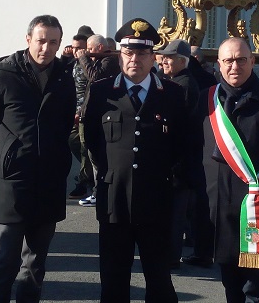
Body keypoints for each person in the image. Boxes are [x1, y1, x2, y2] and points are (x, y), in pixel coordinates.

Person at [81, 20, 190, 302]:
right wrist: (109, 172)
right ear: (120, 55)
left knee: (159, 279)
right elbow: (91, 140)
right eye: (128, 53)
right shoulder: (102, 92)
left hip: (157, 199)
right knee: (114, 278)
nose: (134, 60)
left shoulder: (173, 94)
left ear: (153, 57)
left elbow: (182, 144)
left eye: (142, 54)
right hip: (114, 198)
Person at [0, 15, 76, 303]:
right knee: (5, 259)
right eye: (41, 40)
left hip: (50, 182)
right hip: (13, 184)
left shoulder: (65, 77)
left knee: (35, 264)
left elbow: (66, 124)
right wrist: (4, 163)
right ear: (28, 39)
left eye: (53, 42)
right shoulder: (1, 75)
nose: (46, 48)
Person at [194, 37, 259, 302]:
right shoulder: (204, 101)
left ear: (252, 61)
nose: (234, 66)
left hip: (256, 208)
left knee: (255, 287)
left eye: (241, 59)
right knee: (229, 282)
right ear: (218, 64)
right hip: (217, 208)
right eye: (228, 60)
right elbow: (191, 150)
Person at [156, 39, 206, 268]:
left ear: (181, 61)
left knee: (175, 213)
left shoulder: (182, 85)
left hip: (180, 161)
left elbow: (177, 125)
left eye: (169, 57)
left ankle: (169, 257)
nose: (164, 60)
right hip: (182, 160)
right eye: (163, 56)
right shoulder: (178, 81)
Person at [75, 34, 121, 207]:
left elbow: (95, 77)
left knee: (96, 158)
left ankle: (98, 191)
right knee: (90, 153)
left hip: (103, 116)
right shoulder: (99, 61)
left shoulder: (109, 61)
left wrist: (83, 59)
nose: (87, 51)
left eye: (90, 48)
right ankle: (98, 190)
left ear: (100, 48)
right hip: (89, 114)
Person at [68, 33, 93, 200]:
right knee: (73, 141)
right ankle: (87, 176)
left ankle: (85, 182)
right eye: (74, 47)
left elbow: (89, 86)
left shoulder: (88, 63)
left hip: (84, 111)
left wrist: (80, 111)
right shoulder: (74, 63)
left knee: (85, 147)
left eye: (79, 48)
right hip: (73, 108)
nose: (76, 51)